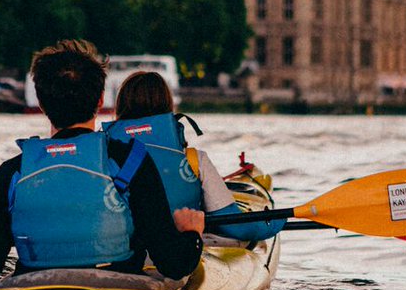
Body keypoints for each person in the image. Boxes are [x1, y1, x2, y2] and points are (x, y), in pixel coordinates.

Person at [0, 40, 205, 290]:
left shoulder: (11, 173)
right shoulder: (131, 160)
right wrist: (191, 233)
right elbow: (173, 264)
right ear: (100, 100)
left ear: (42, 104)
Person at [108, 71, 282, 241]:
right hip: (177, 253)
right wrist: (277, 221)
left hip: (120, 251)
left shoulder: (102, 157)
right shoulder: (193, 161)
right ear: (169, 108)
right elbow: (235, 226)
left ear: (120, 108)